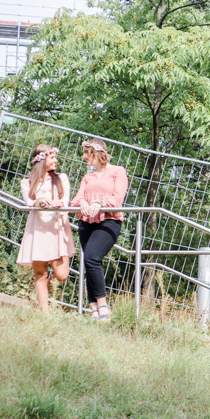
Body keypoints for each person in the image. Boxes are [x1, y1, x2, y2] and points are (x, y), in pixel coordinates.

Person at [70, 138, 129, 322]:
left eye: (87, 153)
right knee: (89, 262)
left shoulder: (117, 172)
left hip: (108, 221)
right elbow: (75, 202)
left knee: (92, 257)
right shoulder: (87, 177)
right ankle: (93, 308)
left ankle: (102, 305)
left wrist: (99, 203)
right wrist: (85, 203)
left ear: (96, 153)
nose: (84, 157)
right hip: (87, 222)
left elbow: (117, 198)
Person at [16, 145, 75, 314]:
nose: (56, 161)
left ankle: (42, 295)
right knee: (40, 274)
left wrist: (59, 203)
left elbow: (66, 199)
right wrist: (38, 201)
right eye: (52, 158)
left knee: (62, 274)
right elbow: (28, 200)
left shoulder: (61, 179)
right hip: (38, 230)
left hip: (57, 230)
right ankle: (44, 313)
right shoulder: (27, 183)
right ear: (41, 161)